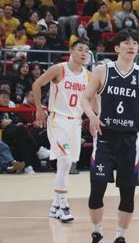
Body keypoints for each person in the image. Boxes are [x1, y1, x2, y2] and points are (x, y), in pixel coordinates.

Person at [80, 29, 139, 243]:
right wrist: (92, 117)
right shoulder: (102, 70)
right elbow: (85, 98)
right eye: (126, 42)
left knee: (127, 192)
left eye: (134, 43)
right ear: (117, 48)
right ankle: (97, 231)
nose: (131, 46)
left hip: (129, 141)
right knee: (97, 188)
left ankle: (120, 236)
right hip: (105, 138)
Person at [32, 39, 91, 223]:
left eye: (86, 50)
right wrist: (39, 108)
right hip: (58, 120)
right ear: (71, 51)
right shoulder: (59, 69)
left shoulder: (88, 76)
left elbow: (93, 100)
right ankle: (63, 206)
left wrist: (97, 117)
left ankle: (54, 206)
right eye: (80, 49)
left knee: (66, 163)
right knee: (65, 160)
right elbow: (37, 84)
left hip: (76, 123)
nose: (84, 53)